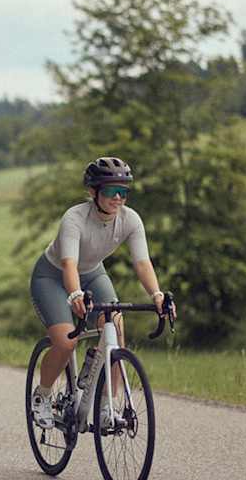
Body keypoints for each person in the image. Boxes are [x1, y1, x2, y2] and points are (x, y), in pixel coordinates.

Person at [27, 156, 174, 428]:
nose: (118, 198)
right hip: (52, 276)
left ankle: (106, 407)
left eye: (124, 192)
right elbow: (68, 263)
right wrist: (74, 295)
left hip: (93, 273)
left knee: (116, 330)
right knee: (66, 341)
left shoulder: (131, 220)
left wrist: (156, 295)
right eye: (110, 191)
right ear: (93, 192)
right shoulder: (74, 218)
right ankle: (43, 395)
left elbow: (142, 263)